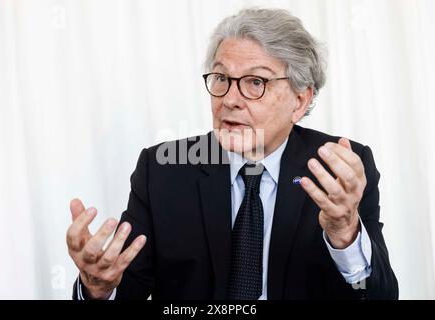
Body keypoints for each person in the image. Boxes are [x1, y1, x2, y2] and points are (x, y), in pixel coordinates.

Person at [67, 8, 398, 300]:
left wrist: (344, 232)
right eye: (222, 78)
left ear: (299, 101)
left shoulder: (340, 169)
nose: (229, 99)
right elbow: (126, 289)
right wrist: (97, 289)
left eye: (255, 82)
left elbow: (378, 296)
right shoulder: (163, 170)